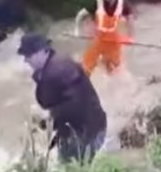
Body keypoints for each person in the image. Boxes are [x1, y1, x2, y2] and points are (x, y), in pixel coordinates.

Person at [17, 33, 107, 165]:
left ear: (42, 51)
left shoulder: (60, 70)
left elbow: (78, 104)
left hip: (85, 134)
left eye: (28, 55)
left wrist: (48, 116)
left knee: (70, 166)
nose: (25, 60)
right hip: (86, 129)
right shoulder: (51, 67)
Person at [74, 0, 134, 77]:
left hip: (113, 41)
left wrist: (130, 37)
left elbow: (130, 19)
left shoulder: (123, 3)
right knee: (86, 68)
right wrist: (77, 30)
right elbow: (80, 15)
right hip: (99, 39)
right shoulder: (98, 2)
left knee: (114, 71)